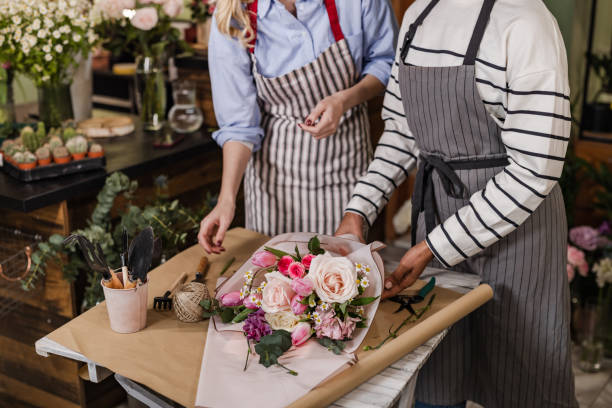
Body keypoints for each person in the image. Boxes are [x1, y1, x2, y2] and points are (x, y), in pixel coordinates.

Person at [336, 0, 577, 407]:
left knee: (523, 378)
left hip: (519, 237)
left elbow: (536, 169)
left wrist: (433, 247)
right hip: (437, 220)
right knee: (439, 375)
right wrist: (357, 211)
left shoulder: (527, 22)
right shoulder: (417, 18)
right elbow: (400, 132)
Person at [198, 0, 397, 253]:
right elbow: (239, 125)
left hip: (347, 169)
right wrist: (226, 200)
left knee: (343, 279)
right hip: (275, 180)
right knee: (274, 280)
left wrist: (344, 99)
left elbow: (386, 62)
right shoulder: (233, 15)